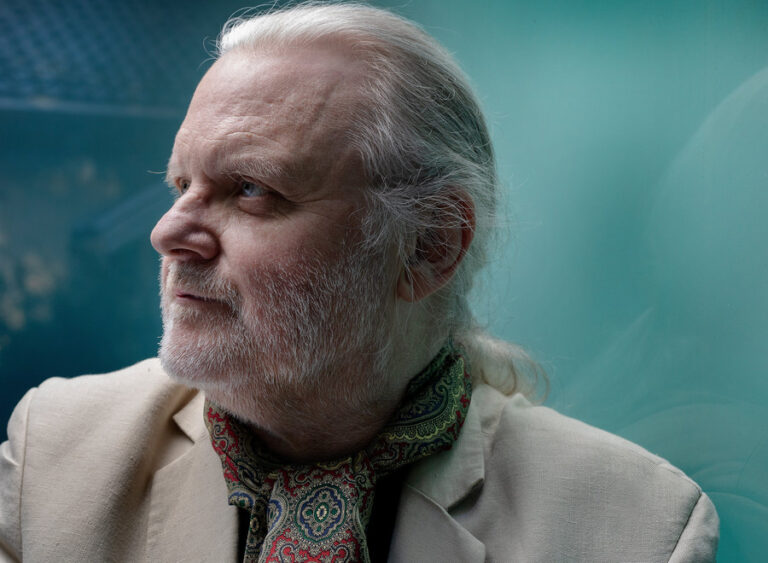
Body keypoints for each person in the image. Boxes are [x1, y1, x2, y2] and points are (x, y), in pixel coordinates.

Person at [0, 3, 718, 561]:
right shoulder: (56, 455)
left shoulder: (636, 528)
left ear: (430, 246)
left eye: (251, 189)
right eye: (181, 184)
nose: (167, 232)